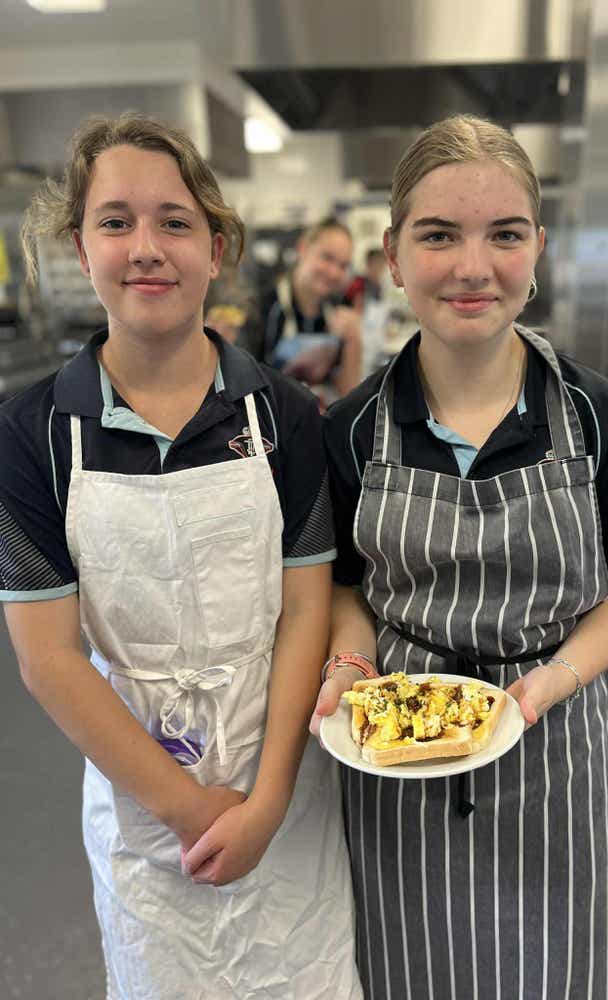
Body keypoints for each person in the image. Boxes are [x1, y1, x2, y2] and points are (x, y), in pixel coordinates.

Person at [311, 114, 608, 1000]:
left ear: (538, 248)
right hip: (400, 757)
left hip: (554, 751)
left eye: (505, 235)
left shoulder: (598, 417)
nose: (473, 267)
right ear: (393, 256)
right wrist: (350, 664)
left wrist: (554, 680)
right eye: (439, 235)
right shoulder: (352, 428)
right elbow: (346, 588)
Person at [1, 113, 362, 1000]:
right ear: (80, 249)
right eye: (114, 221)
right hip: (142, 799)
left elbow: (305, 611)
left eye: (174, 221)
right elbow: (49, 659)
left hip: (283, 779)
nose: (145, 248)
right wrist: (190, 808)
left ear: (215, 247)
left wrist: (266, 802)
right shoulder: (31, 432)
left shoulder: (285, 415)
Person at [258, 218, 363, 400]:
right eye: (327, 258)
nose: (334, 273)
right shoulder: (265, 307)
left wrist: (353, 340)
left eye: (343, 266)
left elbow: (349, 395)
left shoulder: (338, 310)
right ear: (303, 249)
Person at [344, 247, 387, 312]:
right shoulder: (358, 284)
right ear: (368, 264)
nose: (379, 269)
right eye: (376, 264)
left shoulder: (377, 286)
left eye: (382, 266)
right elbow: (357, 310)